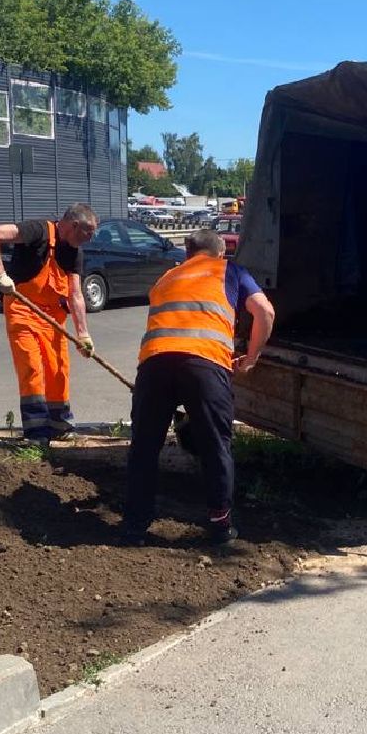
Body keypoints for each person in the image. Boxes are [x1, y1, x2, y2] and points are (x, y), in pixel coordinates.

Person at [120, 227, 275, 544]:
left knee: (145, 447)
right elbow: (265, 311)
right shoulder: (230, 270)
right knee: (215, 446)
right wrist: (251, 358)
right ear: (220, 252)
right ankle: (220, 525)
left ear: (188, 254)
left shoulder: (167, 277)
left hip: (154, 364)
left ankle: (135, 525)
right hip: (204, 364)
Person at [0, 203, 98, 445]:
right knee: (32, 369)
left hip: (53, 319)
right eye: (88, 233)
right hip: (22, 311)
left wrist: (83, 334)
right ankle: (37, 433)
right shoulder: (37, 230)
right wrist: (0, 274)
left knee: (59, 370)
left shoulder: (74, 251)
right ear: (74, 225)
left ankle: (60, 425)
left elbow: (75, 294)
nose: (89, 239)